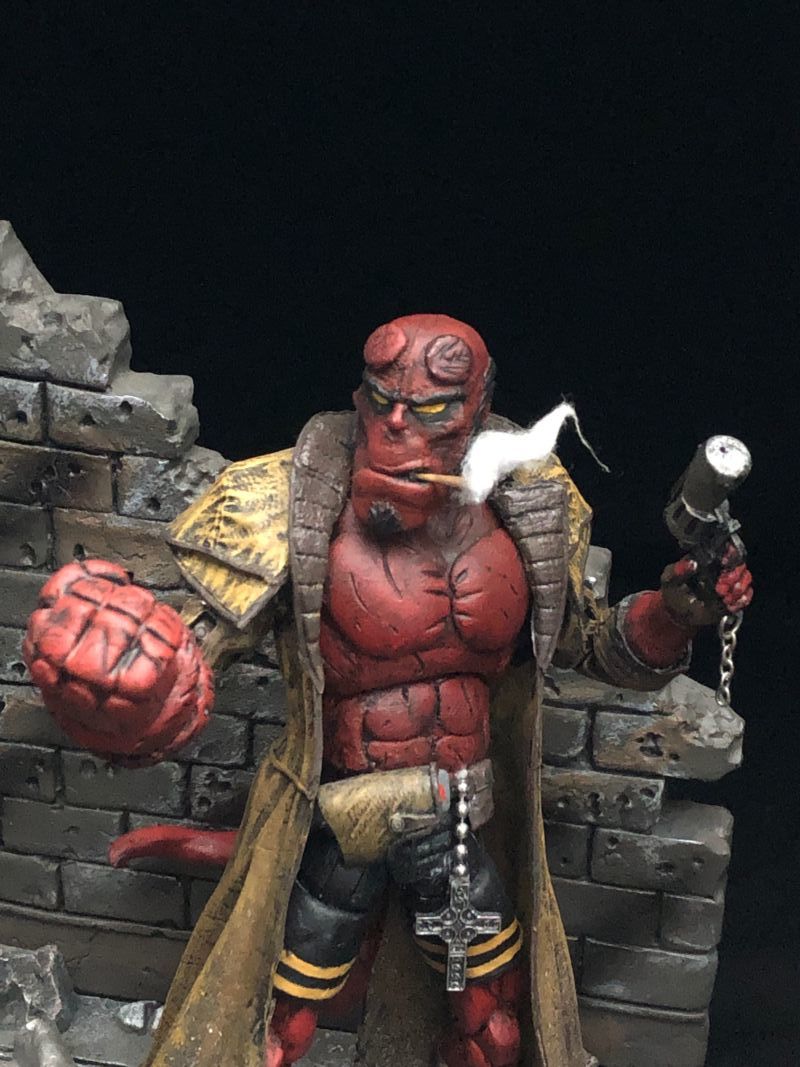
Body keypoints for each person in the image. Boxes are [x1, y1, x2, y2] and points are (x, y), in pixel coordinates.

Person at [24, 314, 752, 1067]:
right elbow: (196, 653)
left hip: (459, 817)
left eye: (432, 410)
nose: (399, 426)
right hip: (349, 815)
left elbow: (597, 646)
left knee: (492, 1024)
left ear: (476, 413)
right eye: (382, 401)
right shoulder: (295, 501)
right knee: (277, 1019)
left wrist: (677, 610)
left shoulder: (527, 506)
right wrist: (131, 681)